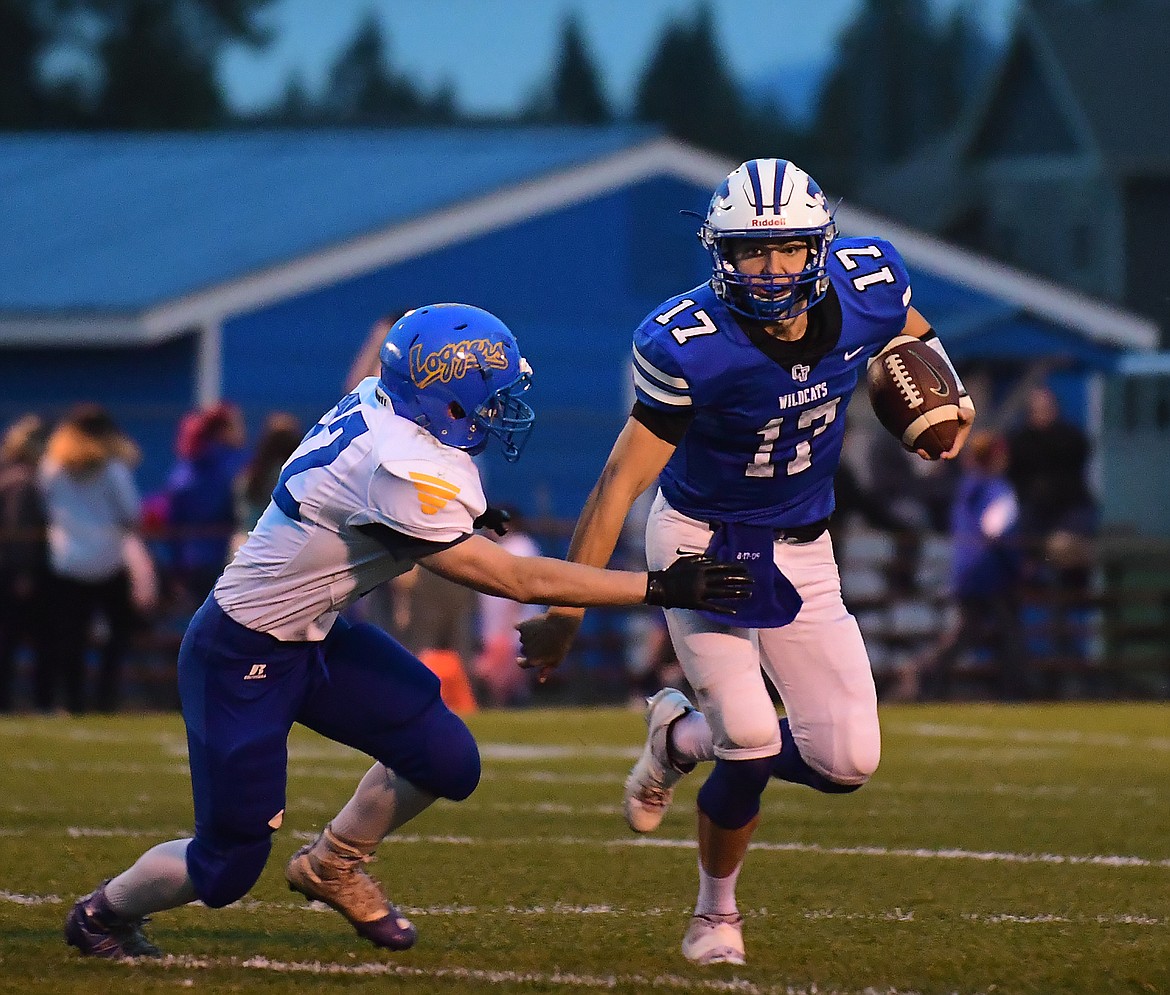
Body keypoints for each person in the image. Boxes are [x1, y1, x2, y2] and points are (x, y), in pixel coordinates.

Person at [64, 303, 751, 960]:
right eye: (488, 394)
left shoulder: (385, 405)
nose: (500, 409)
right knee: (226, 864)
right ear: (441, 398)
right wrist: (658, 586)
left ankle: (335, 862)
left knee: (446, 758)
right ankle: (102, 913)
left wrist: (461, 521)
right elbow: (517, 582)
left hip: (316, 634)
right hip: (239, 650)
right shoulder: (398, 463)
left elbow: (373, 512)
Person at [517, 159, 975, 966]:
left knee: (847, 761)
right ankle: (714, 915)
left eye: (788, 250)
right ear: (720, 253)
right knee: (756, 740)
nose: (770, 270)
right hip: (702, 541)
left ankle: (678, 739)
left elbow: (911, 330)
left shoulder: (868, 285)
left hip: (805, 542)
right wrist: (564, 617)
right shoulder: (691, 343)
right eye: (750, 252)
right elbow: (619, 482)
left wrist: (945, 398)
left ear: (819, 248)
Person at [38, 405, 142, 714]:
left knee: (71, 638)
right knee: (118, 635)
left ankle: (73, 702)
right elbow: (130, 513)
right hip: (108, 561)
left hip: (66, 562)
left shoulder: (51, 467)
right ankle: (105, 698)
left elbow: (45, 506)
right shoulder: (112, 469)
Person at [916, 430, 1026, 701]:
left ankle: (932, 678)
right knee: (1009, 631)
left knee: (967, 631)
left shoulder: (964, 489)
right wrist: (1018, 566)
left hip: (965, 571)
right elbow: (996, 531)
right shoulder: (998, 491)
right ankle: (1015, 689)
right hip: (992, 571)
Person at [161, 402, 248, 605]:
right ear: (223, 429)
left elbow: (173, 521)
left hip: (189, 561)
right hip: (229, 558)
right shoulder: (237, 467)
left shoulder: (183, 469)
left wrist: (176, 568)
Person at [0, 415, 49, 712]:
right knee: (29, 640)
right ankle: (36, 701)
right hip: (18, 572)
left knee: (8, 639)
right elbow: (20, 530)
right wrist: (25, 573)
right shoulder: (23, 481)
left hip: (8, 568)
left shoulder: (7, 475)